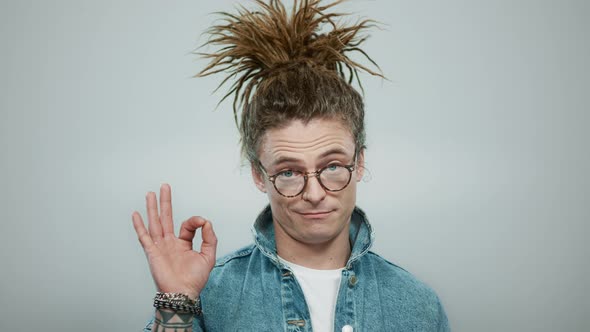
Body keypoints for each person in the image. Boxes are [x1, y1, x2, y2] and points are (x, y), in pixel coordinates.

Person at [132, 0, 450, 331]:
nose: (314, 194)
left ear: (359, 163)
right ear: (258, 174)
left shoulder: (418, 306)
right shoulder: (208, 297)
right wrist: (178, 300)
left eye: (332, 167)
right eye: (289, 172)